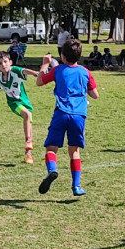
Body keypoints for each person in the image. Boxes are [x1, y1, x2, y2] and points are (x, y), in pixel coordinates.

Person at [36, 38, 99, 197]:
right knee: (74, 151)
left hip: (61, 113)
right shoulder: (85, 72)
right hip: (79, 115)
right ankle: (76, 186)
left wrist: (45, 64)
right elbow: (95, 95)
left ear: (63, 56)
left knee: (51, 148)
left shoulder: (58, 70)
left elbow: (39, 81)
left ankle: (52, 170)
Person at [0, 49, 37, 163]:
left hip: (24, 101)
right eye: (0, 63)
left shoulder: (14, 71)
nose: (3, 65)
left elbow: (24, 70)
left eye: (5, 62)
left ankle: (28, 154)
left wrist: (35, 73)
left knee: (29, 121)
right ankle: (28, 141)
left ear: (10, 62)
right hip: (13, 103)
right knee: (27, 115)